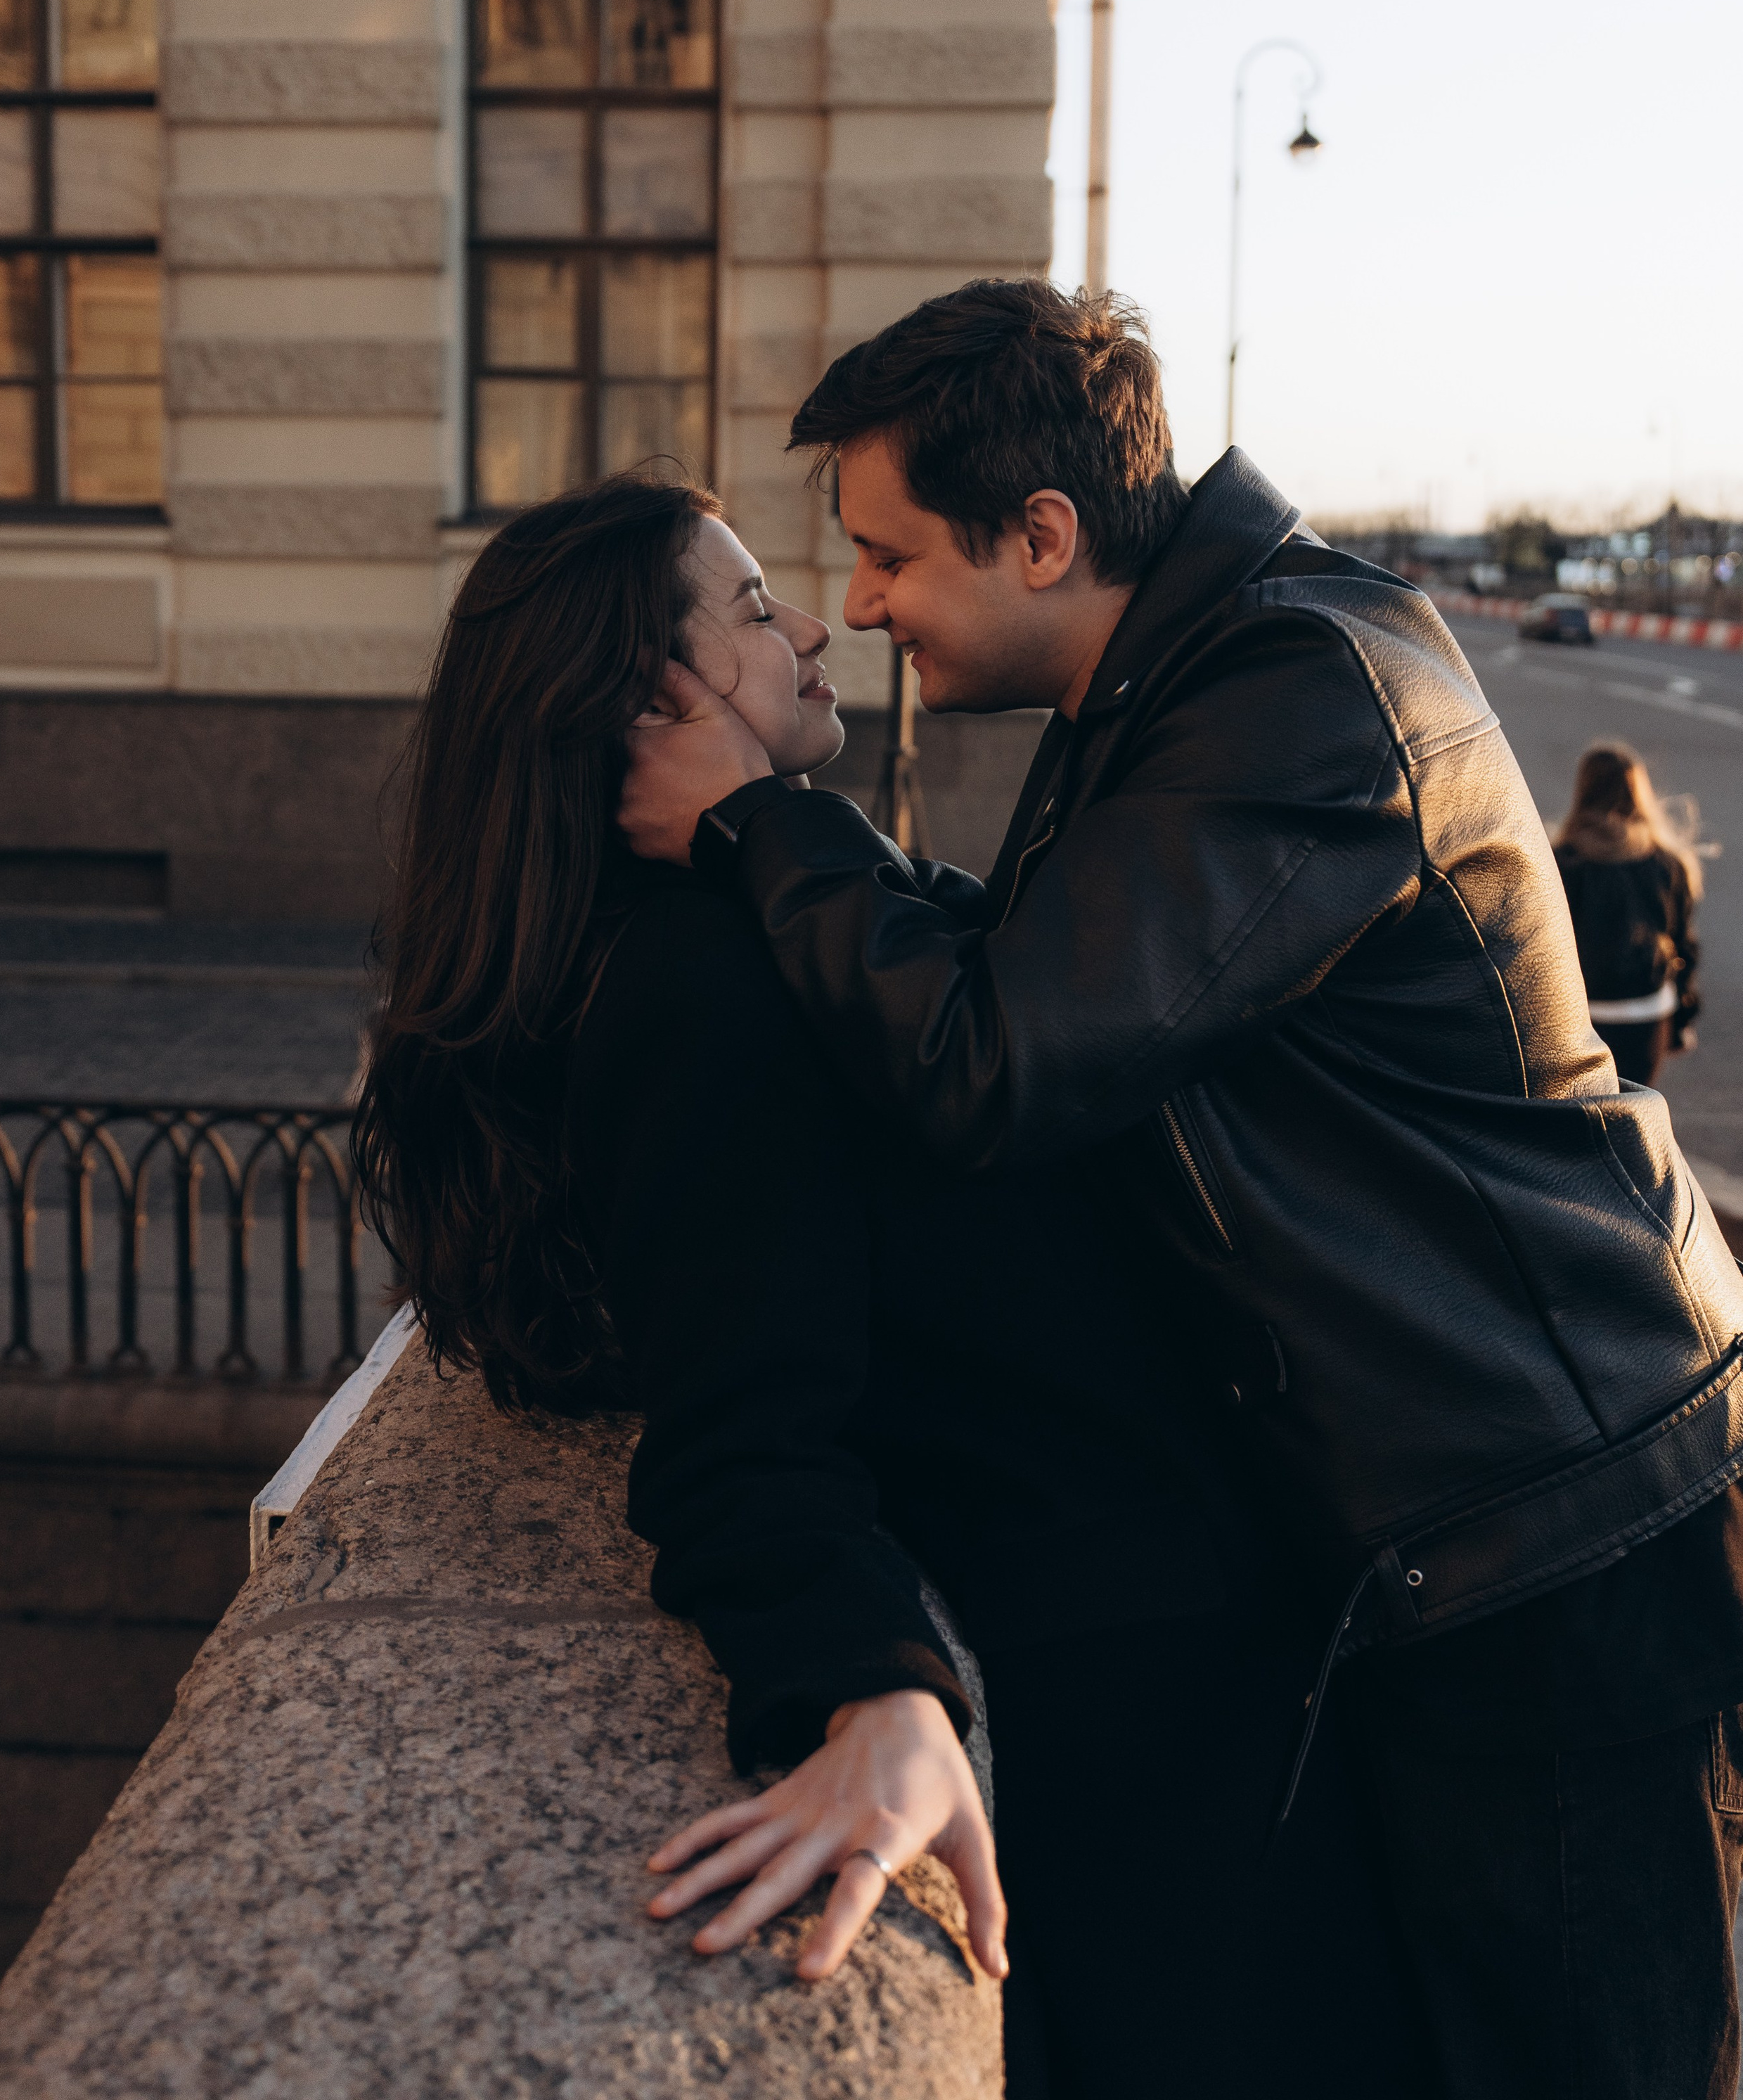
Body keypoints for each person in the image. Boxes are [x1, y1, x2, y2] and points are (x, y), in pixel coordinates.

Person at [621, 278, 1743, 2100]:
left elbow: (1002, 1053)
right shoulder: (1191, 668)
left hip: (1552, 1519)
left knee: (1573, 2054)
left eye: (893, 556)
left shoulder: (1299, 689)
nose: (865, 605)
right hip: (1462, 1497)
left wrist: (761, 826)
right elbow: (1047, 960)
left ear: (1043, 534)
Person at [352, 468, 1422, 2100]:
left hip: (1177, 1640)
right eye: (752, 605)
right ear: (655, 687)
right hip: (1146, 1696)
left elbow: (988, 992)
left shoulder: (730, 906)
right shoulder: (701, 978)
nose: (813, 623)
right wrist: (870, 1687)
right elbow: (741, 1431)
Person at [1555, 738, 1701, 1087]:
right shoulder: (1667, 864)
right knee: (1633, 1116)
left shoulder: (1559, 863)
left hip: (1580, 1018)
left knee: (1582, 1119)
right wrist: (1681, 1024)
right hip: (1646, 1014)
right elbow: (1684, 950)